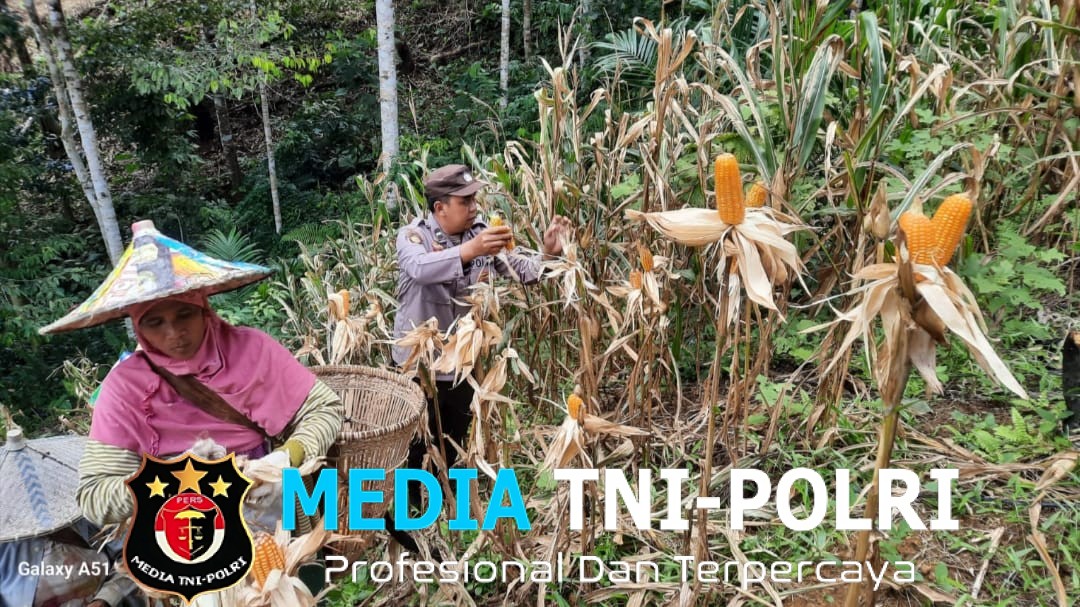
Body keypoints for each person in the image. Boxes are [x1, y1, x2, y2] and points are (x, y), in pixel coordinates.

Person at [38, 220, 343, 533]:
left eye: (184, 314)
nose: (174, 334)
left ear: (204, 310)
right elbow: (95, 497)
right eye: (155, 323)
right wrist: (177, 477)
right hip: (182, 526)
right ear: (138, 329)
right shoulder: (126, 387)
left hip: (265, 500)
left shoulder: (251, 349)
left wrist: (284, 459)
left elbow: (325, 408)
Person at [392, 164, 572, 504]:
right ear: (439, 208)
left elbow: (523, 270)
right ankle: (413, 508)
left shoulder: (480, 232)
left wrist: (550, 254)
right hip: (419, 364)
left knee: (456, 433)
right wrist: (471, 250)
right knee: (417, 440)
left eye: (474, 198)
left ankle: (452, 504)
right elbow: (419, 268)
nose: (474, 206)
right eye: (464, 201)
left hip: (462, 358)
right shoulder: (414, 237)